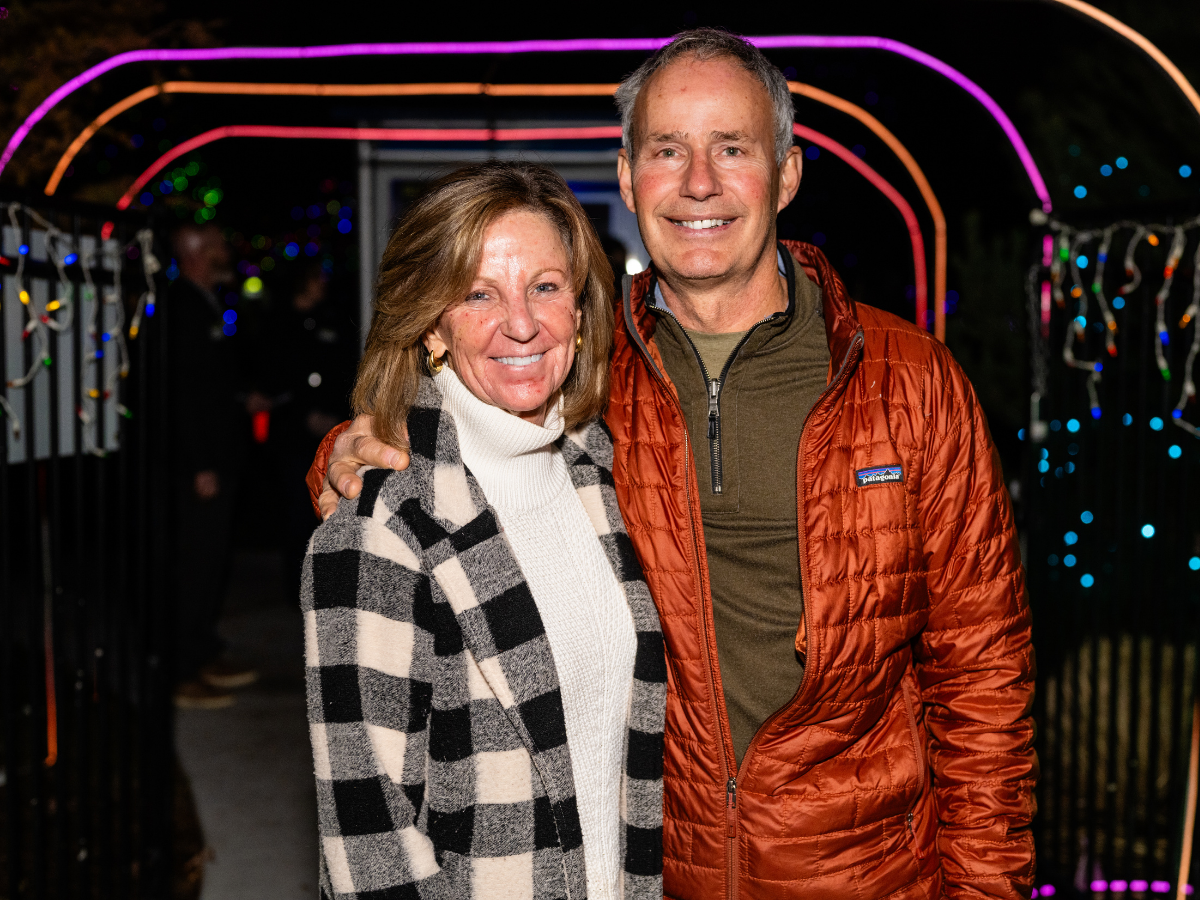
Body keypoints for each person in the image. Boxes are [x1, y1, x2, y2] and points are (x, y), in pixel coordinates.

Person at [309, 30, 1036, 899]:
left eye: (732, 148)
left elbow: (984, 675)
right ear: (626, 177)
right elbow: (455, 434)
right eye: (667, 150)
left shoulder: (907, 379)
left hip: (869, 873)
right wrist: (349, 452)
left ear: (789, 172)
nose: (699, 182)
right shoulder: (589, 363)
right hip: (663, 871)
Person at [303, 161, 665, 900]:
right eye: (478, 294)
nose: (522, 324)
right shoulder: (380, 527)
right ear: (431, 323)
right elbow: (371, 847)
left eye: (545, 286)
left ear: (580, 307)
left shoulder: (606, 477)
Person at [168, 224, 259, 709]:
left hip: (217, 458)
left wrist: (241, 398)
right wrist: (200, 463)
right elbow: (181, 396)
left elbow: (209, 385)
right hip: (199, 466)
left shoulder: (204, 301)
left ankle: (201, 652)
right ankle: (182, 669)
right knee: (194, 565)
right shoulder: (182, 306)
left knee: (210, 562)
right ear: (197, 252)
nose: (228, 252)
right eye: (220, 246)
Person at [257, 260, 357, 599]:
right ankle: (299, 588)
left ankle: (330, 583)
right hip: (293, 436)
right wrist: (303, 414)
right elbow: (273, 380)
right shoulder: (277, 322)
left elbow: (344, 371)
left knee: (334, 505)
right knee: (297, 511)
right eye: (316, 277)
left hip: (332, 432)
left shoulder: (332, 319)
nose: (323, 284)